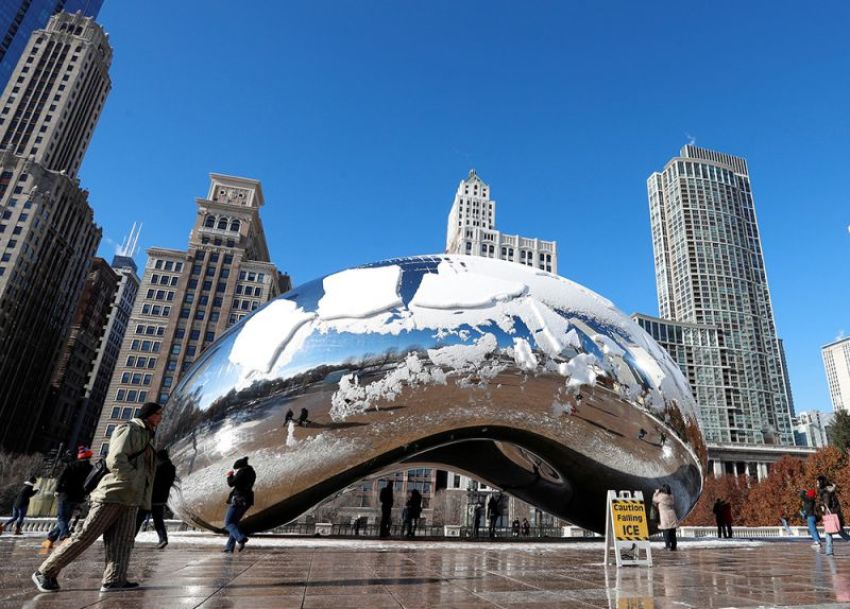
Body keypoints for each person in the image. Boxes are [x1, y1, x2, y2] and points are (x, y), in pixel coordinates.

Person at [32, 401, 161, 594]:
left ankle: (114, 580)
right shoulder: (129, 429)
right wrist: (133, 479)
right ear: (148, 414)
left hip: (131, 498)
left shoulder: (147, 436)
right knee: (85, 536)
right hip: (112, 494)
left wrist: (141, 493)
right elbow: (115, 459)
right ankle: (45, 572)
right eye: (158, 414)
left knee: (123, 541)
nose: (161, 417)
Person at [43, 447, 93, 550]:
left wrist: (57, 490)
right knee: (65, 519)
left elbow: (61, 478)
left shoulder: (71, 465)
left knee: (62, 518)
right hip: (78, 497)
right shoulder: (91, 468)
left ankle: (65, 534)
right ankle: (50, 539)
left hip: (65, 495)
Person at [135, 449, 176, 549]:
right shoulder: (171, 468)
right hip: (161, 498)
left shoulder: (158, 468)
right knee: (158, 520)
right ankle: (163, 539)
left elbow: (151, 482)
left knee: (139, 519)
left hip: (151, 497)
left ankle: (129, 539)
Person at [223, 456, 256, 553]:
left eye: (237, 468)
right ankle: (229, 548)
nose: (237, 470)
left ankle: (241, 538)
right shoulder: (252, 472)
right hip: (247, 499)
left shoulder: (242, 472)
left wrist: (230, 476)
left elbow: (232, 483)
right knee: (235, 523)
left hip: (238, 499)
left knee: (228, 523)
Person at [818, 475, 850, 556]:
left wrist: (821, 505)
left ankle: (829, 552)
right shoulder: (829, 490)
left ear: (821, 482)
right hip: (835, 514)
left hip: (830, 515)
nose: (817, 483)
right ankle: (829, 551)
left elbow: (826, 503)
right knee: (841, 533)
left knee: (829, 533)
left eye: (818, 482)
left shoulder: (825, 492)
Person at [652, 484, 678, 551]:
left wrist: (657, 492)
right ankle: (674, 547)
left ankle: (668, 546)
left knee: (666, 532)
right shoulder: (671, 497)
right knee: (672, 533)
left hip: (665, 516)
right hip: (672, 515)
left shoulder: (661, 496)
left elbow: (654, 499)